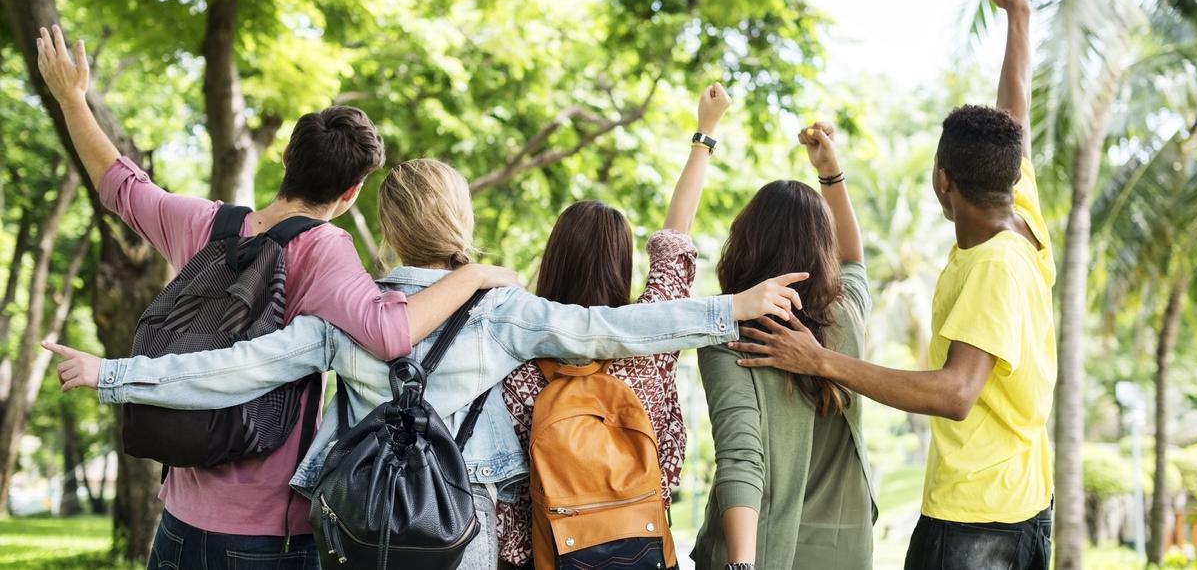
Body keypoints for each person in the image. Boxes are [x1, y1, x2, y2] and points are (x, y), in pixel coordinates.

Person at [45, 157, 808, 570]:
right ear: (461, 224)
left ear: (386, 232)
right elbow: (616, 328)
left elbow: (234, 368)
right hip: (460, 531)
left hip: (355, 528)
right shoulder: (502, 310)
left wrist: (112, 373)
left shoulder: (345, 314)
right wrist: (730, 309)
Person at [35, 25, 515, 568]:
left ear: (286, 156)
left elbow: (122, 186)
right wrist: (474, 275)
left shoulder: (205, 224)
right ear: (351, 191)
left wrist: (72, 98)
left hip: (177, 521)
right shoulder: (326, 249)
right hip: (266, 534)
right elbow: (391, 332)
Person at [729, 0, 1055, 570]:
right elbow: (1014, 115)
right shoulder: (1020, 211)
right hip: (1023, 505)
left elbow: (957, 391)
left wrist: (822, 359)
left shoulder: (993, 267)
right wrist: (1019, 19)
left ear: (942, 181)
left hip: (977, 521)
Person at [496, 83, 732, 567]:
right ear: (620, 265)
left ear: (553, 259)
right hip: (638, 549)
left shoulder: (513, 354)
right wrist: (704, 133)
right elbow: (675, 237)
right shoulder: (651, 339)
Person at [691, 120, 875, 570]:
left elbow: (740, 459)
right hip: (846, 550)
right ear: (821, 248)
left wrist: (740, 564)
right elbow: (853, 259)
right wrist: (830, 172)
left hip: (765, 552)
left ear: (746, 243)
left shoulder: (731, 331)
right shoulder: (845, 315)